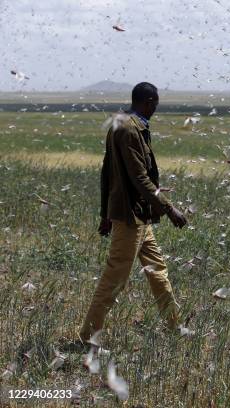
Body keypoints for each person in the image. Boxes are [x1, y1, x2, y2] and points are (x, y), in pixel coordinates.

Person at [79, 82, 187, 343]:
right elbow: (139, 176)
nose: (156, 109)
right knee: (114, 278)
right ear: (149, 101)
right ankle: (88, 337)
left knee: (157, 270)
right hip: (131, 217)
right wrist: (170, 208)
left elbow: (108, 172)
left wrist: (105, 214)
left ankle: (175, 326)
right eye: (156, 104)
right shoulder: (129, 129)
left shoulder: (123, 123)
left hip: (138, 216)